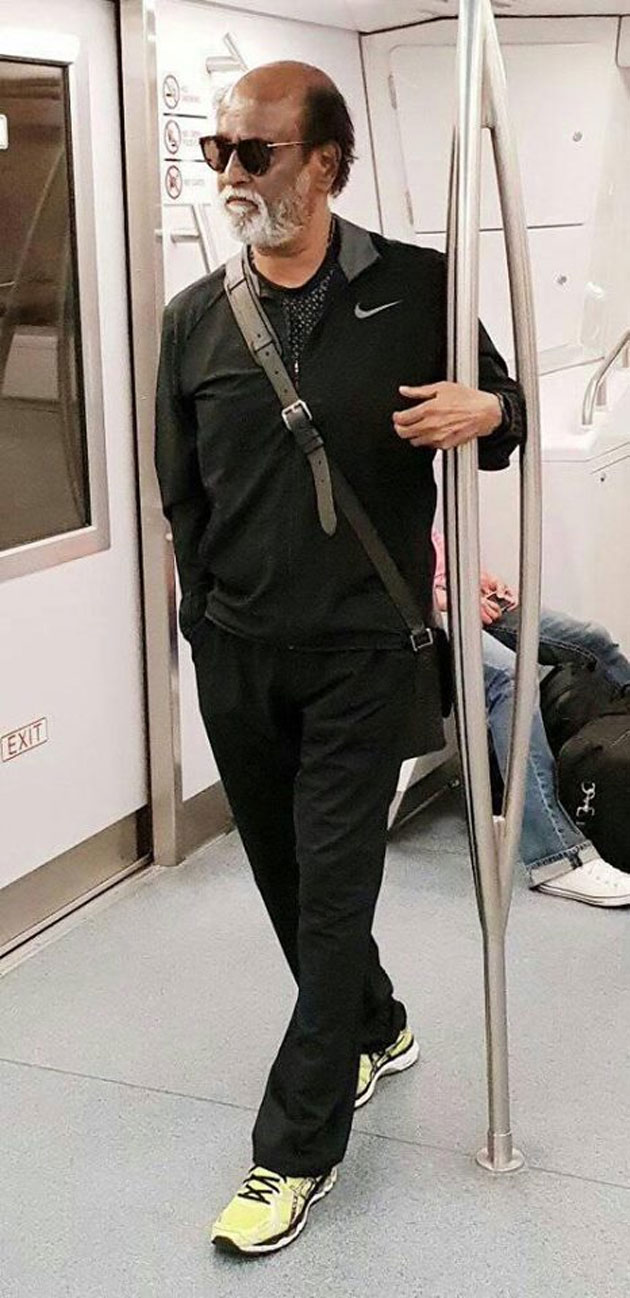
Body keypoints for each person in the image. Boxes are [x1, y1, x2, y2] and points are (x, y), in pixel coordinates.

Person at [155, 61, 525, 1257]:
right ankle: (375, 1021)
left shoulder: (417, 287)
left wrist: (490, 414)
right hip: (239, 654)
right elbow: (182, 495)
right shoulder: (194, 318)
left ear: (325, 162)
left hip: (365, 651)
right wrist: (203, 627)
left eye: (255, 152)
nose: (231, 174)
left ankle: (293, 1148)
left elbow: (507, 405)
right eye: (218, 151)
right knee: (286, 882)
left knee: (331, 896)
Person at [432, 530, 630, 906]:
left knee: (591, 639)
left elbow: (430, 545)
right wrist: (444, 598)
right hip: (412, 615)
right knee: (509, 677)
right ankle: (554, 857)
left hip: (452, 595)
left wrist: (471, 578)